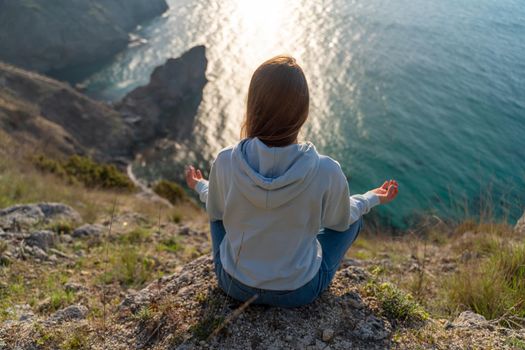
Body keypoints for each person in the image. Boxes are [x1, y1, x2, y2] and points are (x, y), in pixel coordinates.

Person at [185, 55, 398, 308]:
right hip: (298, 291)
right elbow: (339, 222)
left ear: (252, 107)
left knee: (216, 212)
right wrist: (371, 198)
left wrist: (200, 185)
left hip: (233, 284)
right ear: (303, 112)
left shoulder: (225, 161)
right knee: (353, 218)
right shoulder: (326, 170)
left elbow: (216, 207)